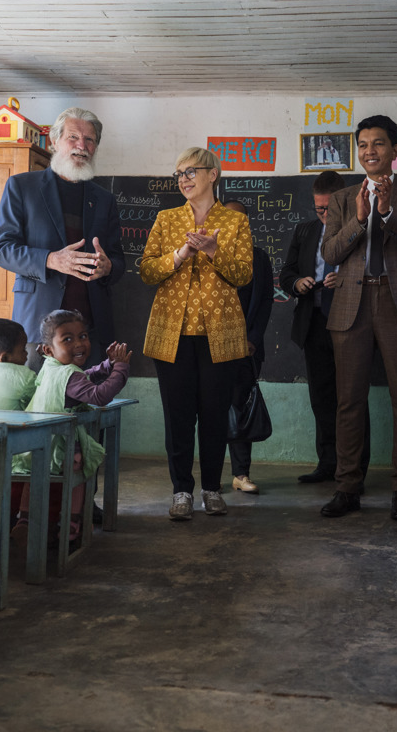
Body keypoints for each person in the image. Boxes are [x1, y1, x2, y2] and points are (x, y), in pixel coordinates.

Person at [319, 115, 397, 521]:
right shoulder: (341, 198)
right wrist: (359, 218)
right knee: (348, 403)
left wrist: (387, 215)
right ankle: (347, 487)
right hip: (350, 305)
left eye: (379, 144)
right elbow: (330, 254)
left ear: (395, 150)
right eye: (364, 144)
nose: (370, 151)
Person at [140, 147, 253, 521]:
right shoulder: (166, 219)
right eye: (178, 174)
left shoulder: (234, 223)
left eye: (191, 171)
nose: (184, 179)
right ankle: (181, 491)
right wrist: (180, 254)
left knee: (215, 414)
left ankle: (211, 489)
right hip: (172, 332)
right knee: (178, 415)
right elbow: (147, 271)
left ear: (213, 175)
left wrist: (215, 250)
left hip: (218, 332)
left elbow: (243, 276)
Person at [0, 107, 124, 370]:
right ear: (54, 141)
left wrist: (109, 267)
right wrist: (51, 259)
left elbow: (118, 259)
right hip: (38, 328)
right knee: (37, 406)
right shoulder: (22, 187)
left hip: (90, 329)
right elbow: (2, 249)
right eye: (73, 137)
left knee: (90, 403)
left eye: (89, 140)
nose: (81, 146)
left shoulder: (104, 199)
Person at [11, 309, 130, 548]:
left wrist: (107, 365)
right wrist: (120, 369)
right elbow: (99, 395)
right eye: (67, 339)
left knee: (34, 479)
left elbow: (81, 377)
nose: (79, 343)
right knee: (83, 464)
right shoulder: (69, 375)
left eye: (83, 336)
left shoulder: (50, 367)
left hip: (35, 445)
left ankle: (25, 521)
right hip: (60, 449)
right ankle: (71, 527)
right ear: (48, 349)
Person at [281, 171, 371, 485]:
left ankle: (356, 468)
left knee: (352, 396)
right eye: (318, 209)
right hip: (314, 322)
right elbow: (286, 272)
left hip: (350, 322)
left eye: (328, 210)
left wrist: (343, 281)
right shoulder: (305, 231)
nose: (323, 215)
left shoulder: (360, 226)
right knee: (322, 397)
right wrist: (297, 283)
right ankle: (327, 464)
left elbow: (370, 270)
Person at [222, 200, 273, 494]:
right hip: (213, 345)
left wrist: (252, 339)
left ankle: (241, 474)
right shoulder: (207, 255)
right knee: (213, 409)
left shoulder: (259, 258)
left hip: (247, 348)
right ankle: (214, 474)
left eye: (240, 220)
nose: (235, 225)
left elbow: (266, 301)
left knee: (240, 408)